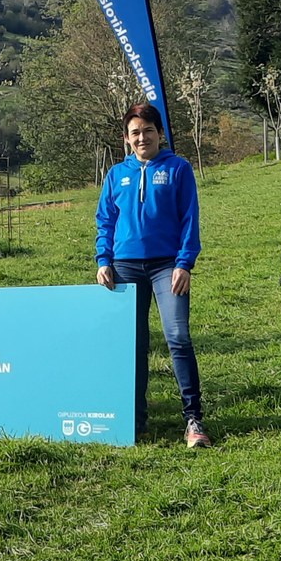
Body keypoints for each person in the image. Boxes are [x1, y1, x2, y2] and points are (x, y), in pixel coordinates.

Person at [95, 102, 211, 448]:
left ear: (160, 133)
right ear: (126, 139)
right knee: (133, 345)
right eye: (135, 132)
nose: (142, 137)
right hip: (125, 268)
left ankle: (193, 419)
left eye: (148, 130)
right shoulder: (116, 175)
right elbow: (105, 220)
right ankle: (134, 419)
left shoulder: (178, 168)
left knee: (178, 338)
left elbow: (190, 218)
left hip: (167, 267)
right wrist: (104, 259)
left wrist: (184, 263)